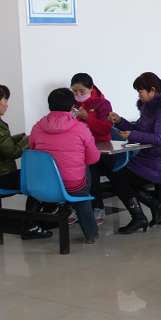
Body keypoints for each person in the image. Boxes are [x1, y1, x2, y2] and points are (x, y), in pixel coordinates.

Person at [0, 84, 52, 240]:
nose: (7, 105)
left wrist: (21, 137)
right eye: (5, 100)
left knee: (36, 176)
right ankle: (32, 225)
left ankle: (39, 220)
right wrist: (30, 139)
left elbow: (0, 143)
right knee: (40, 177)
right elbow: (13, 152)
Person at [108, 72, 161, 234]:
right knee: (119, 177)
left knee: (119, 178)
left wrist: (132, 135)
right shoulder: (150, 109)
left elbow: (160, 138)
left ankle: (140, 216)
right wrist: (120, 121)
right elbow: (138, 129)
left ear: (152, 91)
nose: (139, 95)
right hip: (150, 159)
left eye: (140, 91)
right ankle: (153, 205)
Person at [29, 88, 101, 244]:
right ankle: (90, 233)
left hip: (43, 184)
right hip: (73, 185)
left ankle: (34, 225)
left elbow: (32, 152)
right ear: (72, 107)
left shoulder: (37, 127)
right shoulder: (81, 128)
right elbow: (93, 158)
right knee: (82, 180)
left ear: (49, 106)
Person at [69, 73, 114, 226]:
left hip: (101, 151)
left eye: (81, 91)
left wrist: (87, 117)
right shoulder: (71, 105)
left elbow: (105, 129)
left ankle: (98, 207)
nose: (78, 94)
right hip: (78, 150)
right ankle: (76, 207)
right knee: (67, 169)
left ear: (91, 88)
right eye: (74, 91)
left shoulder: (103, 104)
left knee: (90, 170)